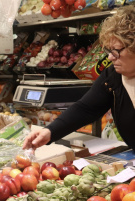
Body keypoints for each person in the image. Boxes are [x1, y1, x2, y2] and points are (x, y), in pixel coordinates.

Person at [23, 5, 135, 152]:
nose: (110, 57)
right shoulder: (113, 77)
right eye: (109, 50)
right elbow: (86, 108)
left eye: (116, 51)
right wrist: (50, 132)